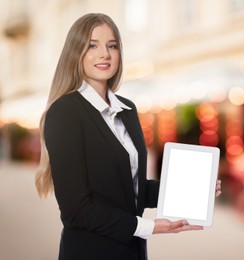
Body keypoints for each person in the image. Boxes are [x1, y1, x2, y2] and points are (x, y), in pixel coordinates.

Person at [35, 13, 222, 260]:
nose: (105, 54)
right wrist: (149, 227)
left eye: (112, 45)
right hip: (89, 252)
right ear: (75, 52)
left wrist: (191, 190)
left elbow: (132, 188)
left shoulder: (128, 109)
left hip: (132, 252)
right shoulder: (66, 112)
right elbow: (75, 210)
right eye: (92, 45)